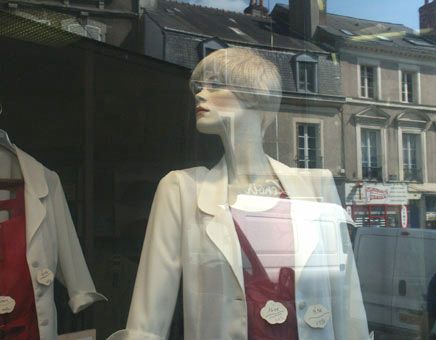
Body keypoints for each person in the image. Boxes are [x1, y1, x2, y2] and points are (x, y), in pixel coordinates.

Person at [108, 47, 370, 340]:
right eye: (199, 87)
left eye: (216, 84)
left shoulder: (315, 187)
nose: (200, 94)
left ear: (255, 93)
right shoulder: (181, 190)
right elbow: (148, 320)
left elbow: (346, 297)